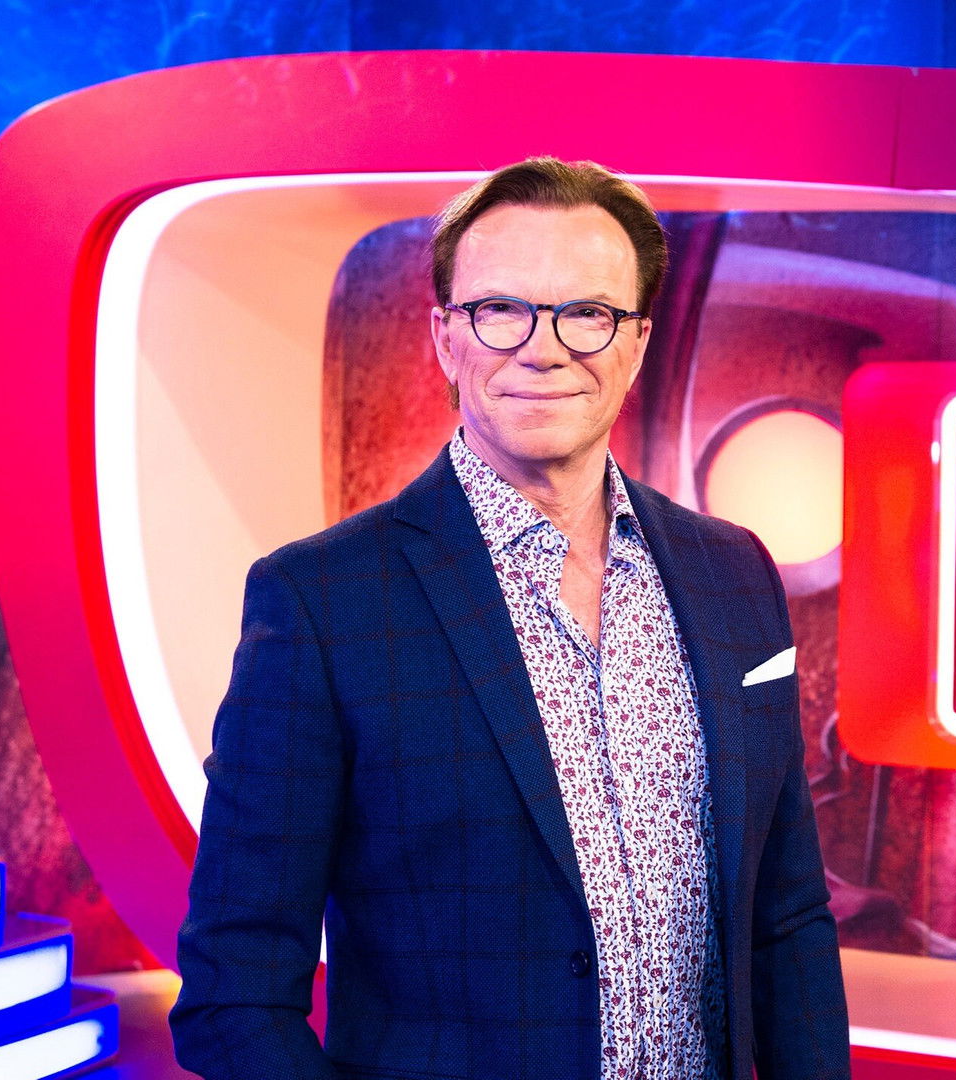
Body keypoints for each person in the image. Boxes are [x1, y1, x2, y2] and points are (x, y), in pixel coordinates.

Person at [169, 157, 849, 1080]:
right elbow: (235, 992)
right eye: (501, 309)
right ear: (446, 337)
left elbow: (788, 916)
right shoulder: (322, 602)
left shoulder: (735, 573)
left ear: (637, 341)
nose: (543, 348)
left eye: (588, 313)